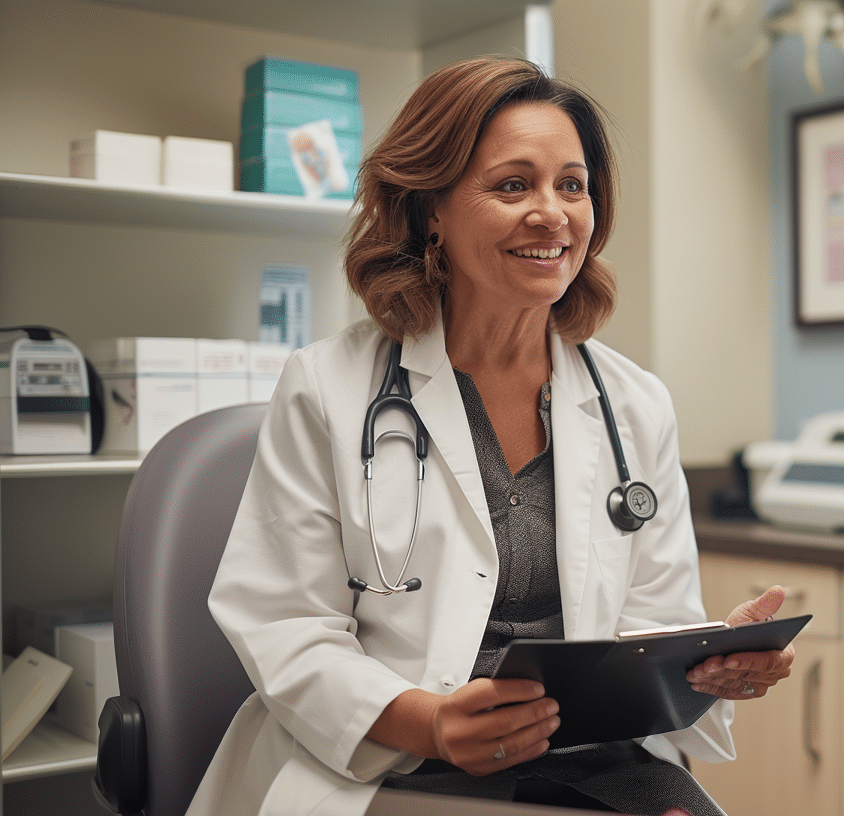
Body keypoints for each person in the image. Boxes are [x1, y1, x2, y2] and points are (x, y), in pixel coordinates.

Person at [190, 56, 793, 816]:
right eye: (513, 185)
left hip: (593, 761)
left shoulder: (633, 404)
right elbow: (285, 626)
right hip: (393, 761)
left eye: (572, 185)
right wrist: (434, 724)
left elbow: (649, 621)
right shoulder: (327, 387)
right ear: (429, 208)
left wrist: (700, 661)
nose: (553, 213)